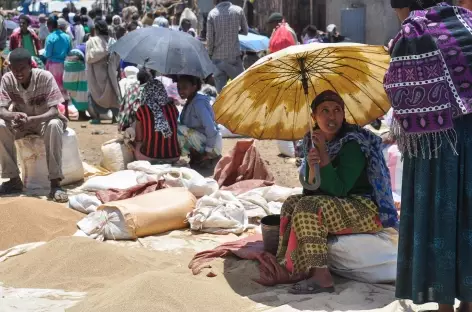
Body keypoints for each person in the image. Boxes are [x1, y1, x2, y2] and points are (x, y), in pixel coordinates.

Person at [386, 1, 472, 311]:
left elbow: (399, 94)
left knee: (439, 215)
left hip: (437, 145)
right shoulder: (465, 21)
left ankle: (445, 305)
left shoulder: (413, 33)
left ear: (403, 7)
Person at [276, 90, 397, 294]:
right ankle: (292, 266)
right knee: (291, 203)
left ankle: (322, 277)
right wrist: (313, 166)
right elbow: (311, 190)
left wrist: (323, 154)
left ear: (343, 114)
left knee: (308, 207)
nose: (331, 117)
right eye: (324, 111)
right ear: (313, 116)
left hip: (365, 208)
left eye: (337, 110)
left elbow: (339, 190)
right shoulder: (311, 140)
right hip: (338, 204)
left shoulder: (353, 142)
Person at [0, 48, 68, 202]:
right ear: (9, 67)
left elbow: (54, 111)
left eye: (22, 68)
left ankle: (55, 183)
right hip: (21, 124)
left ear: (31, 65)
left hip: (43, 121)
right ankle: (13, 180)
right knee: (1, 126)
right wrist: (13, 115)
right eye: (14, 69)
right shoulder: (7, 79)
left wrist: (33, 119)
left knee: (54, 125)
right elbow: (1, 110)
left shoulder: (45, 77)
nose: (18, 73)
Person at [121, 69, 181, 163]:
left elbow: (139, 139)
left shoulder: (142, 109)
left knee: (136, 145)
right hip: (174, 157)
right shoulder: (172, 108)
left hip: (149, 157)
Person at [177, 75, 221, 168]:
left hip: (212, 147)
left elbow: (211, 129)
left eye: (184, 87)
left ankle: (207, 157)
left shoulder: (199, 103)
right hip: (203, 140)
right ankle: (197, 156)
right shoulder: (190, 101)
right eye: (179, 87)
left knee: (179, 129)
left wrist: (208, 151)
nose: (180, 91)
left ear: (194, 87)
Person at [207, 0, 248, 93]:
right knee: (240, 90)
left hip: (218, 60)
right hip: (234, 59)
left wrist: (209, 55)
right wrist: (234, 31)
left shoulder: (212, 14)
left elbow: (210, 40)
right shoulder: (238, 11)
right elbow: (245, 31)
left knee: (221, 94)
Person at [86, 20, 120, 124]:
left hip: (96, 74)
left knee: (95, 93)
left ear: (96, 29)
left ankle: (97, 117)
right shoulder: (113, 41)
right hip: (110, 73)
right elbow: (118, 57)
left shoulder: (91, 41)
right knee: (113, 94)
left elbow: (89, 58)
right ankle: (115, 117)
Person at [44, 16, 71, 108]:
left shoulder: (50, 37)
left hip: (53, 66)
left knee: (53, 88)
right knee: (64, 89)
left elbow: (47, 54)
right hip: (65, 65)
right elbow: (69, 52)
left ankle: (55, 111)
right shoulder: (67, 37)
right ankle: (66, 111)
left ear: (50, 26)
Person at [63, 43, 87, 118]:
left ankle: (66, 114)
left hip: (67, 66)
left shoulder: (78, 46)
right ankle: (82, 115)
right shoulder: (88, 46)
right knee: (81, 91)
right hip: (78, 65)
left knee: (71, 92)